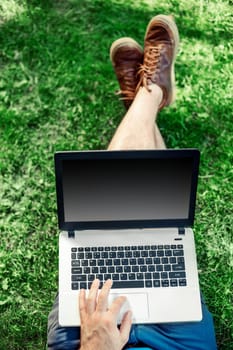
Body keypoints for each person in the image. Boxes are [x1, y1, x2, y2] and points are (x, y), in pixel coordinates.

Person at [47, 15, 217, 350]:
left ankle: (145, 98)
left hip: (86, 339)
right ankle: (151, 93)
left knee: (101, 220)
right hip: (176, 344)